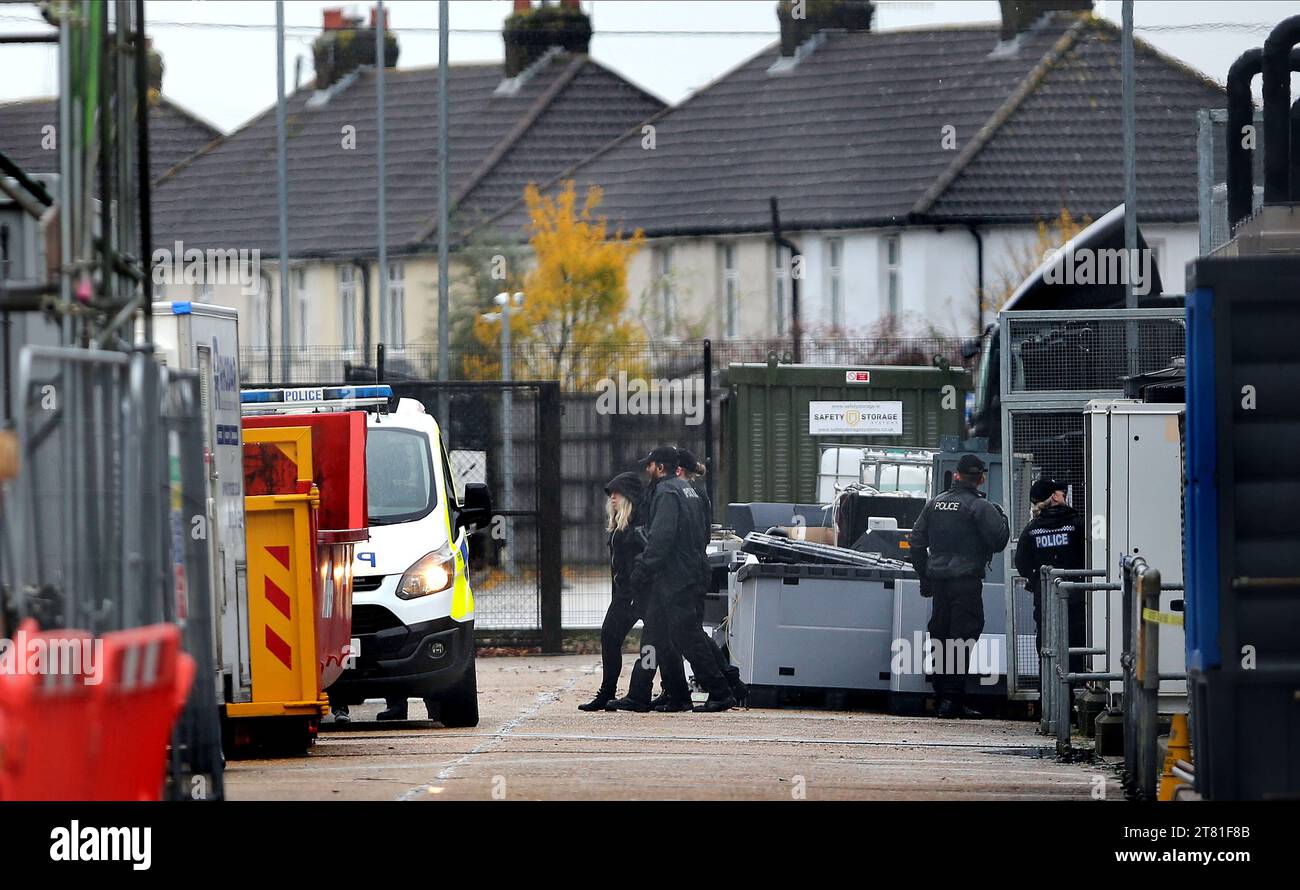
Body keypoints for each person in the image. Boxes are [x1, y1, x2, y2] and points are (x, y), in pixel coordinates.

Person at [627, 446, 736, 713]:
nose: (647, 469)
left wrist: (641, 569)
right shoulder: (691, 491)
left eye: (650, 465)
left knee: (688, 637)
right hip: (691, 573)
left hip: (675, 578)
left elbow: (661, 540)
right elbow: (703, 535)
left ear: (660, 467)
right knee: (663, 636)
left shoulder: (666, 493)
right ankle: (674, 695)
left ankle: (721, 691)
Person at [908, 453, 1010, 719]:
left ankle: (943, 696)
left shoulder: (934, 504)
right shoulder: (980, 506)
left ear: (956, 475)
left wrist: (925, 577)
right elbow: (998, 541)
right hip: (966, 582)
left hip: (939, 582)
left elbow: (916, 544)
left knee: (940, 635)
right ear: (981, 478)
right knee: (962, 637)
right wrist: (1003, 517)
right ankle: (951, 701)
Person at [578, 471, 688, 711]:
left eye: (617, 493)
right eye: (610, 494)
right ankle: (610, 692)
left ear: (629, 496)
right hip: (625, 596)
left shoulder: (639, 526)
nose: (612, 498)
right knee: (613, 636)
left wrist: (637, 587)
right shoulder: (621, 526)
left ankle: (670, 691)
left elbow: (649, 559)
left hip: (642, 596)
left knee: (657, 644)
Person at [674, 448, 747, 706]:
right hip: (697, 567)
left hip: (685, 571)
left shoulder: (682, 494)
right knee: (695, 633)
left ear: (677, 469)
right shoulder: (699, 493)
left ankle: (720, 688)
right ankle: (731, 681)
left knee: (688, 634)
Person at [1015, 477, 1087, 676]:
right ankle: (1071, 700)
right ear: (1055, 496)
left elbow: (1021, 562)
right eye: (1061, 492)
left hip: (1045, 601)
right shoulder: (1077, 525)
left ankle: (1046, 700)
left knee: (1047, 651)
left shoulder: (1032, 529)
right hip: (1076, 598)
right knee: (1075, 650)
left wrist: (1038, 580)